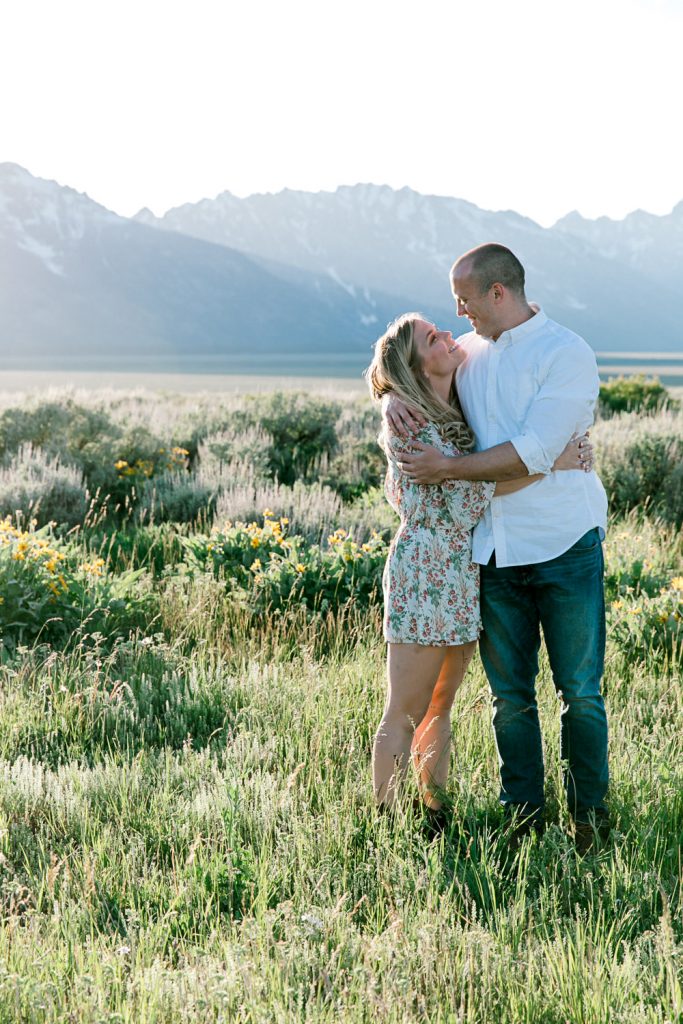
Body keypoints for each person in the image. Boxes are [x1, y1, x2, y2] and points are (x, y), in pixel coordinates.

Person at [383, 243, 609, 852]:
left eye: (464, 300)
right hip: (493, 555)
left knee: (580, 693)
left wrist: (450, 467)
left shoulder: (567, 353)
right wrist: (390, 397)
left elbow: (534, 450)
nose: (457, 315)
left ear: (497, 293)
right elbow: (415, 375)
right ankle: (523, 818)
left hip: (565, 543)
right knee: (509, 699)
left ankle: (589, 820)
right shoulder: (470, 355)